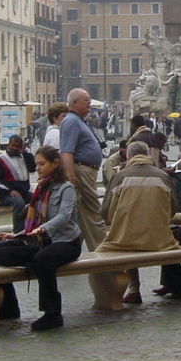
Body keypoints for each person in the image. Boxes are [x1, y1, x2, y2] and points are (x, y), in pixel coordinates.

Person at [0, 146, 82, 331]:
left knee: (43, 259)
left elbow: (63, 217)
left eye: (42, 164)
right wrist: (17, 235)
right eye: (36, 164)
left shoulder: (67, 188)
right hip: (41, 240)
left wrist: (42, 229)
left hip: (65, 242)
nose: (37, 168)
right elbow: (32, 222)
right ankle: (9, 308)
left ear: (55, 164)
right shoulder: (40, 188)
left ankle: (52, 314)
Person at [98, 140, 181, 302]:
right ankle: (179, 286)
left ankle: (131, 289)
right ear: (148, 155)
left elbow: (106, 211)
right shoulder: (163, 176)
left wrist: (119, 220)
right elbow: (172, 207)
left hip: (126, 239)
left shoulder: (120, 176)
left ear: (128, 156)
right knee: (164, 240)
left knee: (114, 244)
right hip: (160, 240)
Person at [60, 88, 106, 250]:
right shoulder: (72, 121)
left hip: (85, 170)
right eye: (86, 100)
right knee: (92, 212)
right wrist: (71, 177)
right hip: (82, 170)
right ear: (74, 103)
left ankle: (69, 249)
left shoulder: (77, 120)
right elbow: (66, 151)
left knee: (82, 215)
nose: (89, 103)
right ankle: (103, 251)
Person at [0, 135, 36, 232]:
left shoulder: (24, 157)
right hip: (6, 194)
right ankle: (18, 231)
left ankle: (34, 226)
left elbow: (33, 168)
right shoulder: (1, 158)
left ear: (21, 146)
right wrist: (9, 190)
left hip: (24, 192)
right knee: (19, 202)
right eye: (12, 145)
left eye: (17, 146)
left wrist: (25, 153)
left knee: (38, 199)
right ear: (8, 144)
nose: (14, 148)